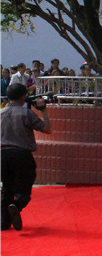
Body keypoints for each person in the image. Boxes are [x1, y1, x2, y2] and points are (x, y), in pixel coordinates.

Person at [1, 83, 51, 230]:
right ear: (23, 96)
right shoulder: (26, 114)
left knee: (6, 188)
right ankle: (16, 205)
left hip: (2, 155)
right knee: (24, 189)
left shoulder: (1, 113)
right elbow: (47, 129)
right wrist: (43, 110)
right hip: (22, 155)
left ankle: (4, 222)